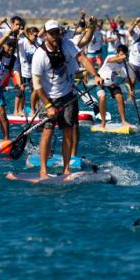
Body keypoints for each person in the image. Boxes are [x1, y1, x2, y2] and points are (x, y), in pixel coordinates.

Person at [31, 20, 103, 179]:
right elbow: (36, 84)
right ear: (46, 35)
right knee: (47, 133)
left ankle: (66, 169)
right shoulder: (40, 55)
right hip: (48, 97)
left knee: (68, 132)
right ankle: (43, 170)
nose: (55, 36)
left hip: (68, 95)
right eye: (51, 33)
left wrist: (95, 75)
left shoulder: (67, 44)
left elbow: (83, 58)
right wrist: (49, 105)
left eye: (57, 32)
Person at [97, 45, 133, 129]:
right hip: (101, 81)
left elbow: (126, 80)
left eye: (124, 55)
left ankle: (123, 120)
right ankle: (103, 122)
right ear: (117, 54)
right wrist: (122, 57)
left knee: (120, 98)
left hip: (112, 83)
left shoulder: (124, 66)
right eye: (120, 55)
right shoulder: (110, 57)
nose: (122, 57)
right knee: (102, 98)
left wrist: (130, 90)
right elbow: (110, 60)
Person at [16, 25, 40, 115]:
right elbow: (16, 41)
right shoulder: (23, 42)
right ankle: (19, 110)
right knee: (21, 91)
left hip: (33, 72)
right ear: (29, 35)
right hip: (22, 70)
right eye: (34, 35)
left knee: (36, 90)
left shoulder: (37, 43)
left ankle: (34, 109)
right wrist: (19, 35)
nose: (36, 37)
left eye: (37, 35)